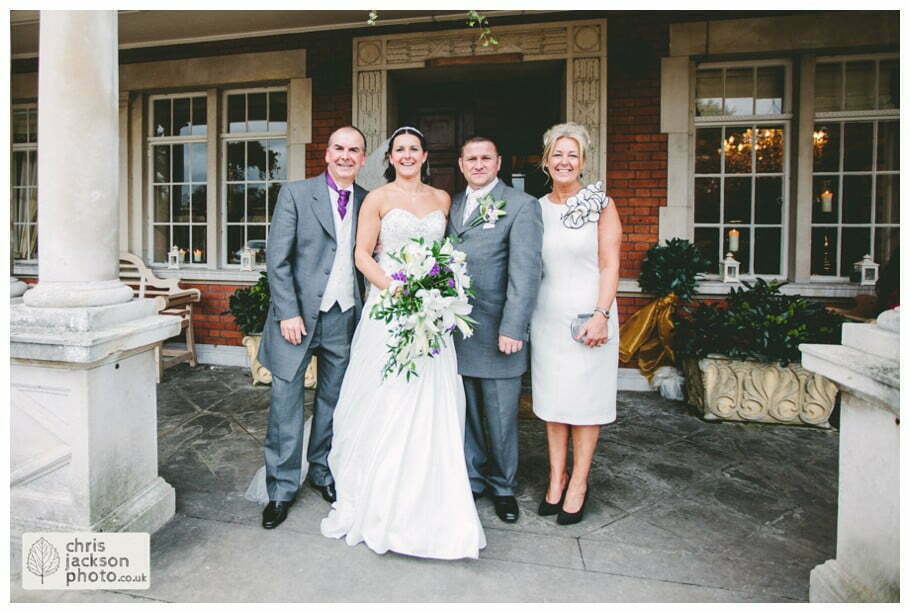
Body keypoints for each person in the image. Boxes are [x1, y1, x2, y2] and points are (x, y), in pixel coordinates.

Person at [319, 126, 486, 559]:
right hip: (388, 310)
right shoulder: (376, 199)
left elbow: (447, 256)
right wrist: (397, 289)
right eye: (400, 150)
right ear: (389, 157)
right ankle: (376, 491)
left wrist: (438, 291)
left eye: (414, 149)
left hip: (431, 314)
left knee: (430, 400)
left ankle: (427, 496)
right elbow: (361, 255)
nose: (407, 155)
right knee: (385, 397)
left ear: (425, 155)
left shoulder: (443, 200)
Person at [255, 126, 368, 530]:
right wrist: (287, 312)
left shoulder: (369, 201)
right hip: (297, 319)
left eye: (353, 150)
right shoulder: (296, 194)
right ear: (326, 153)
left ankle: (321, 471)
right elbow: (277, 259)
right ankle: (281, 490)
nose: (345, 155)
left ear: (363, 158)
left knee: (333, 402)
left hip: (344, 315)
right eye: (339, 148)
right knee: (285, 406)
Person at [448, 136, 543, 523]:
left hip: (499, 329)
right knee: (465, 411)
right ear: (460, 164)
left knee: (502, 416)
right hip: (457, 329)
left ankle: (503, 486)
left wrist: (514, 327)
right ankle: (472, 479)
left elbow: (526, 272)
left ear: (499, 162)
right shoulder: (452, 205)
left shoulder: (522, 206)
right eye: (471, 158)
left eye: (486, 157)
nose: (478, 164)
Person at [531, 122, 621, 525]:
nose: (564, 161)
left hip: (590, 318)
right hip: (547, 317)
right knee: (553, 404)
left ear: (583, 162)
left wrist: (601, 315)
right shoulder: (536, 208)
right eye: (557, 154)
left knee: (585, 405)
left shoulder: (601, 204)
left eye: (573, 155)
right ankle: (556, 477)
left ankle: (579, 482)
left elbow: (610, 264)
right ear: (546, 161)